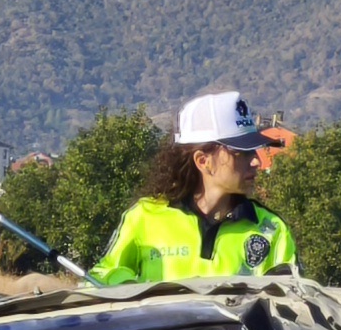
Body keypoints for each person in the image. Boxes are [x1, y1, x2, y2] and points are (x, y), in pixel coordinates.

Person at [89, 89, 298, 283]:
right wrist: (131, 287)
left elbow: (293, 307)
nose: (257, 162)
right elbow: (100, 281)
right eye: (241, 153)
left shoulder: (272, 229)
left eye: (254, 151)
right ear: (203, 161)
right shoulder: (144, 217)